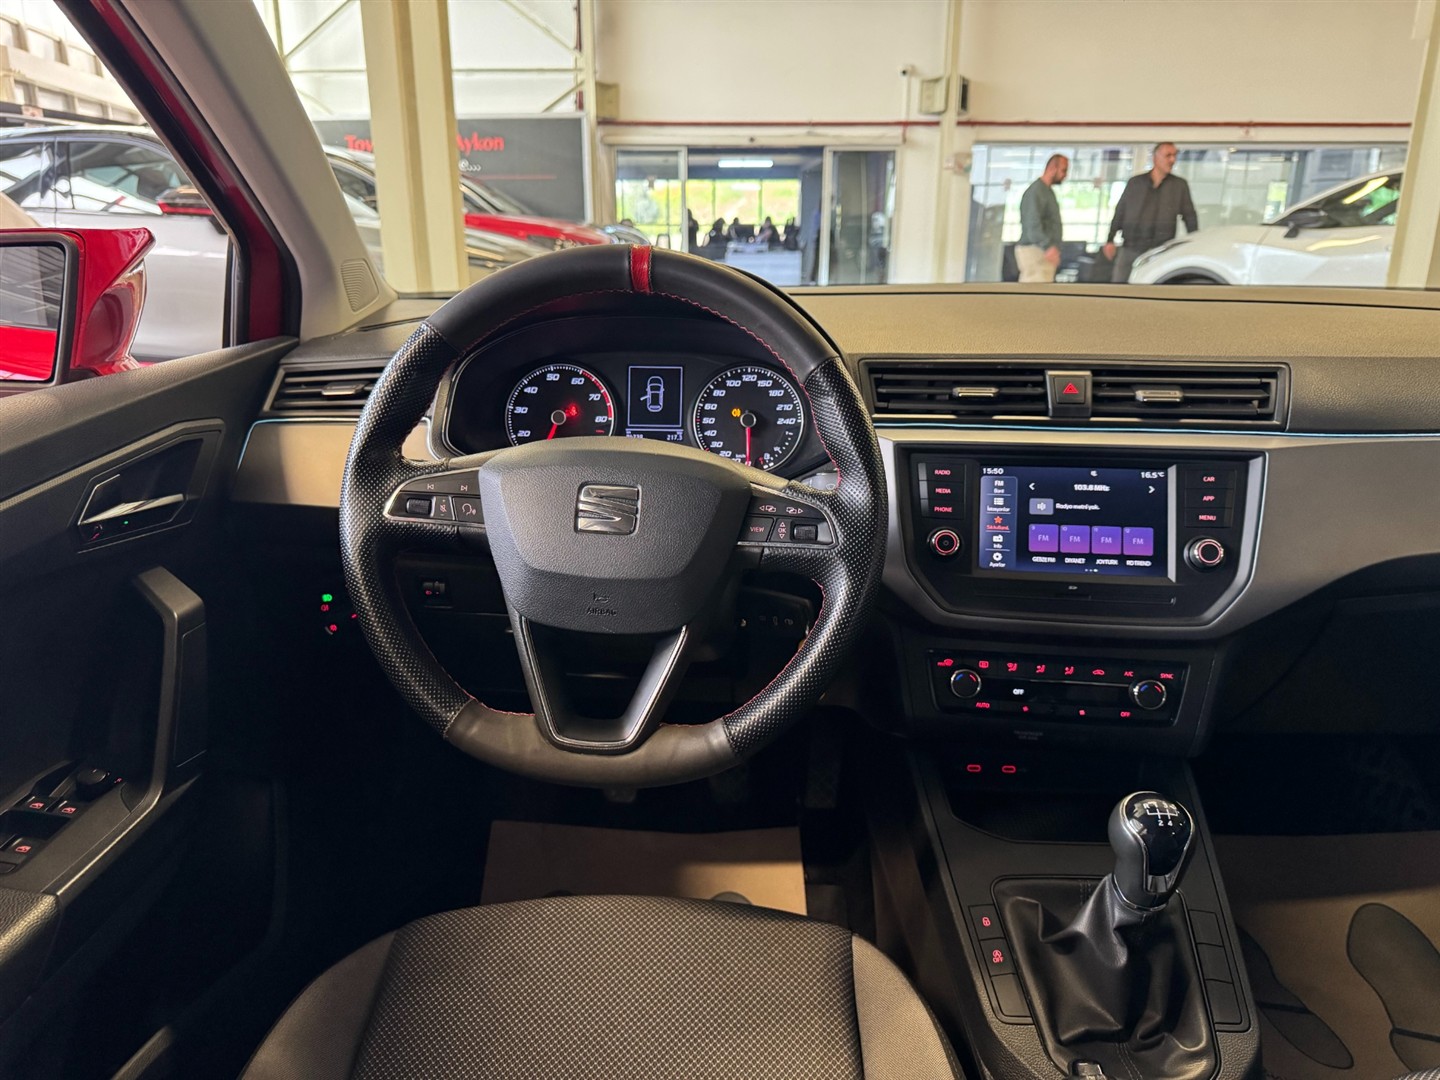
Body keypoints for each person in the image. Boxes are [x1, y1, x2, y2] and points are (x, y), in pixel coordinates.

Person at [1104, 142, 1198, 283]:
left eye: (1175, 155)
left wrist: (1194, 244)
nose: (1172, 160)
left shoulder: (1179, 186)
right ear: (1155, 158)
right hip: (1131, 247)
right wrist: (1110, 239)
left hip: (1160, 250)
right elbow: (1121, 211)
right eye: (1168, 155)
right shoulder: (1135, 183)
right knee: (1119, 286)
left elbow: (1190, 217)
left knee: (1155, 287)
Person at [1016, 154, 1068, 283]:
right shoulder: (1035, 192)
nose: (1065, 175)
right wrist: (1048, 247)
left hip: (1043, 252)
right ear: (1052, 168)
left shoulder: (1047, 192)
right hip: (1035, 251)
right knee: (1034, 292)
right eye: (1063, 170)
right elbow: (1032, 225)